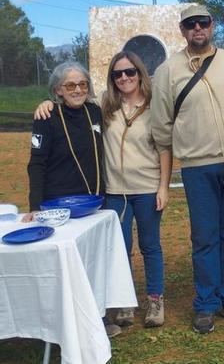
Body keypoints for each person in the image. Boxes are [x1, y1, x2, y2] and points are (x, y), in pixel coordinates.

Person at [34, 52, 170, 329]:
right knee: (119, 248)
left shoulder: (155, 106)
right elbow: (70, 104)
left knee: (150, 245)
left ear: (140, 72)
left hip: (146, 188)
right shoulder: (103, 107)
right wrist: (48, 102)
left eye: (130, 72)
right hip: (114, 192)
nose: (124, 78)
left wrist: (163, 187)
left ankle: (155, 300)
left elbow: (164, 149)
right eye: (117, 74)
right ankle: (124, 301)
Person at [151, 4, 224, 333]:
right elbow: (161, 126)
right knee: (206, 237)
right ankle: (207, 303)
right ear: (182, 30)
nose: (198, 28)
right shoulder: (168, 71)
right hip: (198, 166)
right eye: (190, 24)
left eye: (203, 22)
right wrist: (165, 181)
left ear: (212, 25)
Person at [26, 61, 116, 335]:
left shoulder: (95, 112)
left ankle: (95, 319)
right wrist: (34, 206)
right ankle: (63, 324)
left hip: (94, 204)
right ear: (58, 90)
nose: (77, 89)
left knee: (92, 262)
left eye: (82, 84)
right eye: (70, 85)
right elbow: (36, 164)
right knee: (67, 269)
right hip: (58, 207)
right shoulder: (46, 116)